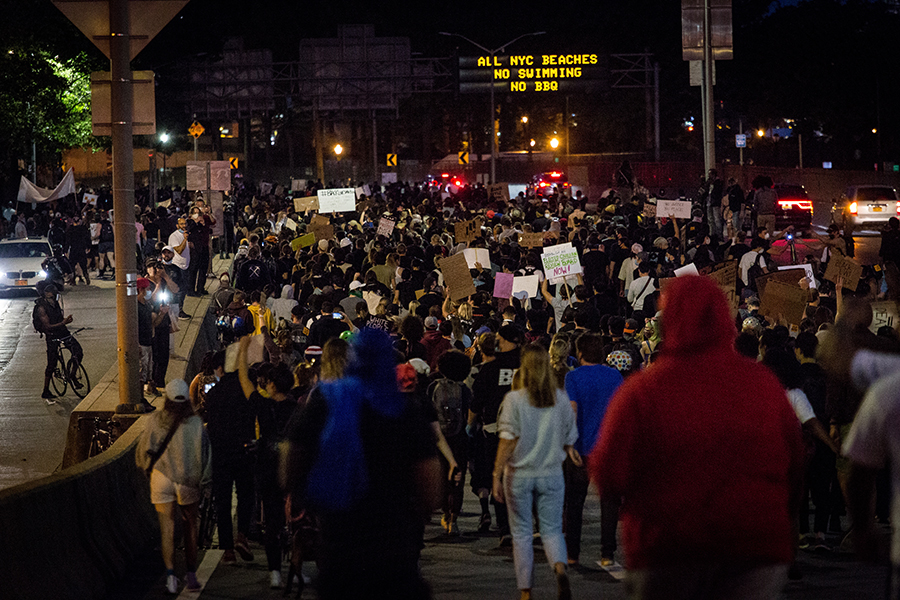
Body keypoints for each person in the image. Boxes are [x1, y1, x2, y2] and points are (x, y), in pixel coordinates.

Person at [589, 275, 805, 599]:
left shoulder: (643, 390)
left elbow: (608, 473)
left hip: (668, 546)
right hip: (754, 546)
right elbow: (796, 460)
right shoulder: (763, 384)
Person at [282, 329, 440, 599]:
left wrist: (311, 495)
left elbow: (289, 463)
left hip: (339, 544)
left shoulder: (325, 400)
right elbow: (432, 489)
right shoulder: (406, 409)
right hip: (395, 551)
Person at [493, 344, 579, 600]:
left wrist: (496, 474)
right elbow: (569, 434)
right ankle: (560, 568)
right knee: (552, 529)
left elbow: (507, 440)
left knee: (521, 534)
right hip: (551, 472)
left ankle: (526, 591)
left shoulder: (514, 399)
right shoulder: (559, 397)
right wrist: (569, 449)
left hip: (519, 474)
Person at [135, 379, 211, 595]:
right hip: (187, 479)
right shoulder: (196, 423)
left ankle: (170, 576)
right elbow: (205, 455)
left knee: (167, 529)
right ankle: (191, 575)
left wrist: (146, 470)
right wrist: (205, 482)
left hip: (161, 478)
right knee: (190, 526)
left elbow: (143, 450)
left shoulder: (155, 420)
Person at [236, 336, 297, 588]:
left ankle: (274, 572)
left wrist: (242, 350)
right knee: (297, 521)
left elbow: (244, 380)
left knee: (271, 522)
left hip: (268, 467)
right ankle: (297, 566)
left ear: (271, 385)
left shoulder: (262, 404)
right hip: (293, 468)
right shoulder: (299, 409)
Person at [563, 333, 623, 566]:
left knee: (575, 502)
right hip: (608, 448)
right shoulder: (614, 375)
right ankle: (607, 553)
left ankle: (572, 554)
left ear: (579, 353)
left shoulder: (573, 377)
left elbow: (572, 410)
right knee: (609, 503)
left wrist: (568, 444)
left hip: (580, 446)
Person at [469, 324, 523, 543]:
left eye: (500, 338)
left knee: (500, 476)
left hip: (496, 430)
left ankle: (505, 528)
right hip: (524, 428)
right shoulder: (527, 364)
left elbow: (477, 401)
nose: (497, 341)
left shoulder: (490, 369)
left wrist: (470, 424)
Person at [35, 281, 83, 403]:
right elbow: (47, 326)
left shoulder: (55, 303)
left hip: (62, 331)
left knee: (78, 351)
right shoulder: (41, 308)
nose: (55, 297)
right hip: (52, 335)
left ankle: (72, 374)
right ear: (46, 294)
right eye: (53, 294)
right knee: (51, 363)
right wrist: (63, 323)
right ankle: (46, 390)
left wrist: (64, 322)